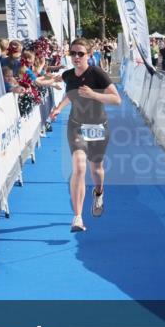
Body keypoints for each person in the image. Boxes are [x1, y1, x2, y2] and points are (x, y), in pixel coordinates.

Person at [48, 38, 121, 233]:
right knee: (79, 167)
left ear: (89, 55)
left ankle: (98, 193)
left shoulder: (97, 73)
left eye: (81, 53)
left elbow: (116, 99)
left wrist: (94, 95)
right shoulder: (68, 75)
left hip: (98, 126)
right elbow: (71, 95)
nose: (76, 57)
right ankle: (78, 217)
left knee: (96, 168)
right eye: (73, 53)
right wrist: (58, 108)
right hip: (76, 126)